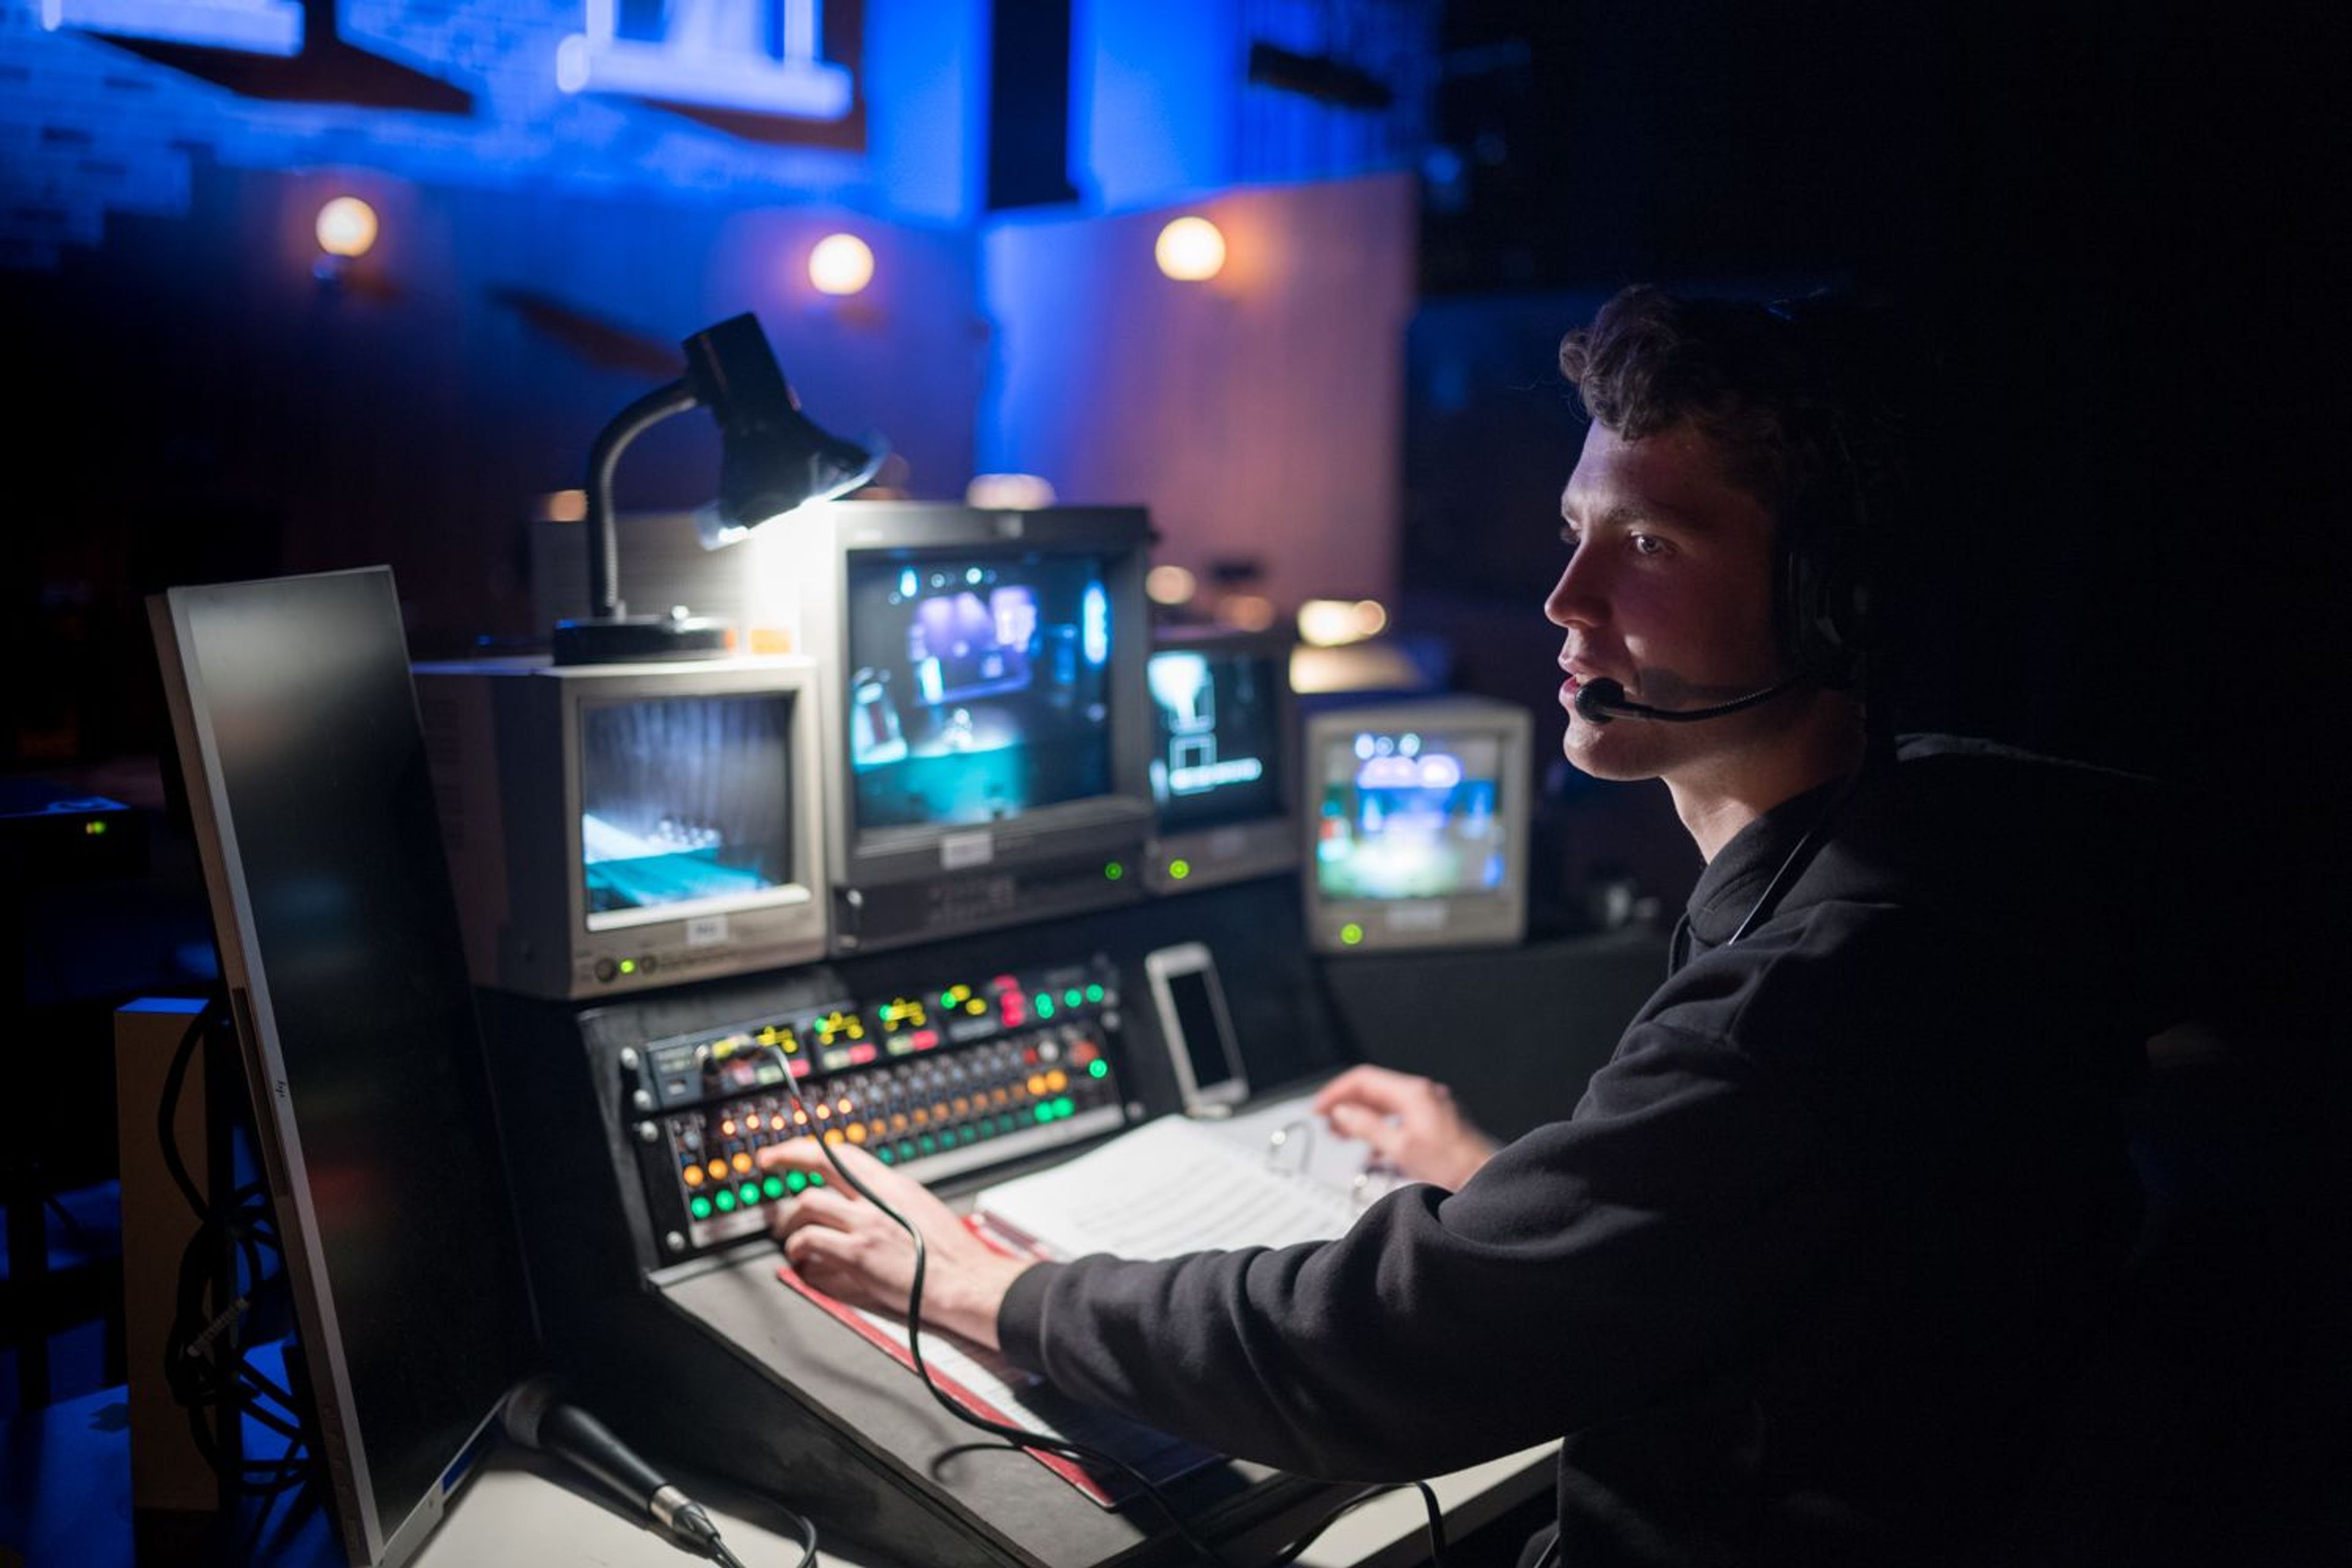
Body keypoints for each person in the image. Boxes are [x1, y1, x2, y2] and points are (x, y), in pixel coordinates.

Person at [761, 285, 2192, 1567]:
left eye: (1649, 542)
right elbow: (1775, 1270)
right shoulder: (1923, 852)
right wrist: (1521, 1191)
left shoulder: (1825, 983)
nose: (1567, 603)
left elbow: (1383, 1349)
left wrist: (992, 1288)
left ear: (1830, 603)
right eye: (1576, 532)